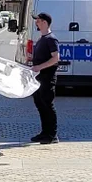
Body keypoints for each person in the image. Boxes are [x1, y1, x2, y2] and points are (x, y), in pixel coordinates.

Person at [30, 12, 60, 144]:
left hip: (47, 78)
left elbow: (55, 58)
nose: (36, 22)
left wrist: (39, 67)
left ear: (45, 23)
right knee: (40, 105)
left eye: (38, 20)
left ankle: (52, 135)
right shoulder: (42, 38)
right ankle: (44, 133)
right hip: (39, 78)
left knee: (47, 105)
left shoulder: (51, 39)